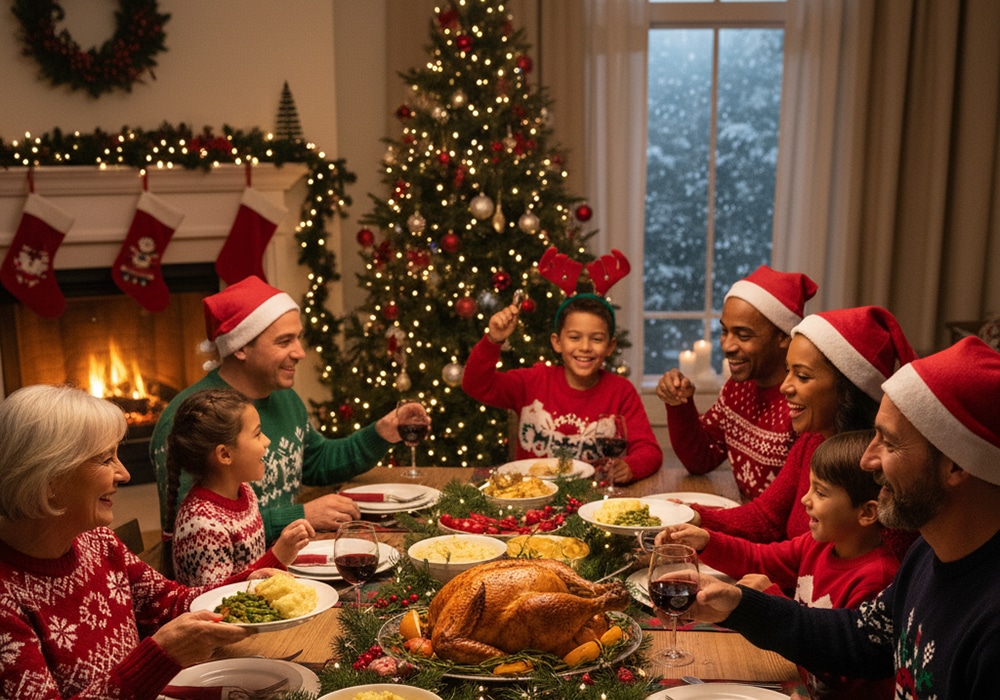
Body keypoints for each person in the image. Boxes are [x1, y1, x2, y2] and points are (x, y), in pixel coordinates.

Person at [686, 336, 1000, 699]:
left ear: (957, 465)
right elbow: (861, 638)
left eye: (890, 443)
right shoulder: (928, 555)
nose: (868, 459)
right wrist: (738, 606)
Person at [0, 384, 261, 698]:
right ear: (50, 478)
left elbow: (171, 604)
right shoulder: (6, 600)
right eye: (105, 459)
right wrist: (159, 655)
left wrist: (252, 584)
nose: (123, 473)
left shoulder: (98, 541)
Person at [151, 275, 423, 543]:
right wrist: (297, 516)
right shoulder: (192, 418)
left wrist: (381, 433)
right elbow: (189, 532)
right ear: (241, 347)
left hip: (287, 556)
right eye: (284, 341)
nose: (300, 352)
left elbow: (318, 462)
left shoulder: (285, 399)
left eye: (298, 338)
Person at [659, 429, 897, 699]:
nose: (806, 500)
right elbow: (760, 558)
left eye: (820, 492)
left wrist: (768, 600)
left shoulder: (877, 578)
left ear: (866, 512)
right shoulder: (817, 543)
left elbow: (849, 673)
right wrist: (706, 542)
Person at [678, 306, 917, 561]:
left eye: (802, 376)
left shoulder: (881, 475)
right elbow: (765, 518)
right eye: (787, 370)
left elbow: (873, 586)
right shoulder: (813, 440)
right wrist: (687, 515)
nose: (784, 386)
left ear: (849, 389)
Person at [462, 293, 663, 484]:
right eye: (574, 337)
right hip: (533, 497)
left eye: (596, 339)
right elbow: (475, 384)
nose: (585, 347)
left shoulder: (621, 391)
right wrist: (494, 340)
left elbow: (649, 451)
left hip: (596, 498)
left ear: (610, 347)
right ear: (557, 342)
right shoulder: (532, 381)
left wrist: (630, 466)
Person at [657, 265, 818, 500]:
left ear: (784, 337)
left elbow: (792, 516)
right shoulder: (738, 388)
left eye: (743, 335)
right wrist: (679, 403)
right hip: (749, 527)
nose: (727, 345)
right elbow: (701, 458)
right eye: (724, 331)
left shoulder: (803, 404)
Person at [165, 387, 315, 585]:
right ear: (225, 455)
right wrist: (278, 556)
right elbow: (219, 603)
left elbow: (248, 566)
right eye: (257, 434)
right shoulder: (202, 525)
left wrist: (287, 544)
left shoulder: (244, 491)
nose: (267, 441)